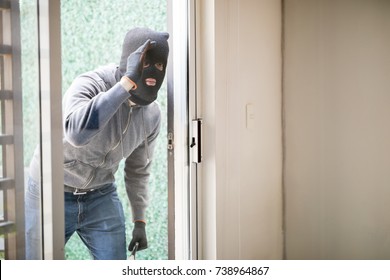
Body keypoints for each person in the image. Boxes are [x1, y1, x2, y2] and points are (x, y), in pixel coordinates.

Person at [25, 27, 169, 260]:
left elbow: (138, 169)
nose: (153, 72)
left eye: (160, 66)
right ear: (129, 62)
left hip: (99, 195)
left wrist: (140, 220)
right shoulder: (90, 84)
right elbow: (76, 134)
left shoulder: (152, 114)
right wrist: (124, 86)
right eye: (145, 63)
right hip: (49, 190)